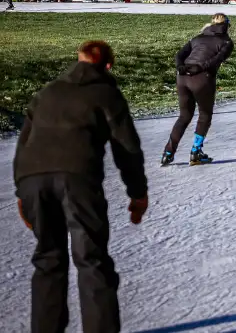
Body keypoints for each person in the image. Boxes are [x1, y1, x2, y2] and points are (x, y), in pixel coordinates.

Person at [14, 40, 148, 333]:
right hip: (77, 180)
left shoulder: (47, 92)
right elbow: (127, 149)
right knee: (91, 260)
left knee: (48, 259)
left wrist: (22, 194)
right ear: (108, 65)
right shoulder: (106, 93)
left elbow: (23, 145)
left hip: (32, 180)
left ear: (78, 58)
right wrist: (137, 193)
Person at [162, 14, 234, 166]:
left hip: (182, 78)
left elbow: (179, 55)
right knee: (205, 115)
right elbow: (217, 59)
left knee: (184, 116)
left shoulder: (197, 38)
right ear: (226, 25)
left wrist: (180, 66)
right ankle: (196, 152)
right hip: (202, 78)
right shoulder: (227, 42)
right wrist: (200, 67)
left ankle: (168, 153)